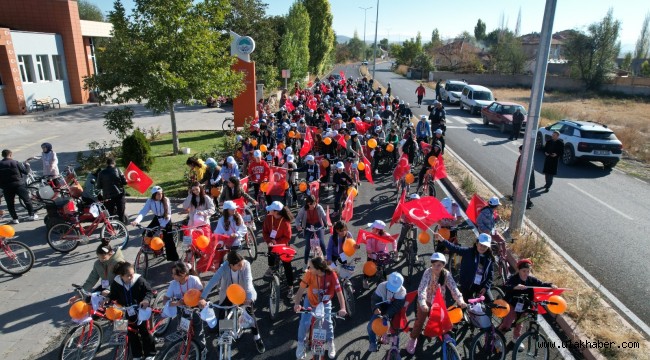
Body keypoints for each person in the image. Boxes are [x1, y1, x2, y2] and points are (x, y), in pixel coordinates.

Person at [199, 251, 265, 353]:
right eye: (238, 265)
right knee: (223, 314)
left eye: (241, 262)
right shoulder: (224, 267)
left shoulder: (246, 265)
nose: (241, 265)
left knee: (250, 314)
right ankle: (222, 338)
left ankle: (257, 338)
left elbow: (248, 282)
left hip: (244, 293)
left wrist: (249, 298)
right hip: (229, 293)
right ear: (231, 265)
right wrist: (203, 297)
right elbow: (213, 280)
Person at [406, 253, 466, 354]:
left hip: (439, 302)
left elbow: (453, 288)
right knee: (419, 321)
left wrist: (460, 300)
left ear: (443, 265)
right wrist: (422, 303)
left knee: (443, 320)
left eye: (439, 265)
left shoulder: (446, 274)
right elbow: (422, 288)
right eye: (434, 264)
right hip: (426, 301)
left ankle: (444, 334)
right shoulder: (428, 272)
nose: (436, 267)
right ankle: (413, 338)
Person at [293, 256, 347, 360]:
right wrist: (296, 304)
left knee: (328, 323)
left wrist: (343, 308)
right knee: (304, 323)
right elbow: (300, 291)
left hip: (325, 302)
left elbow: (339, 292)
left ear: (318, 269)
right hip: (310, 301)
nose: (309, 268)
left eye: (311, 267)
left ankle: (331, 343)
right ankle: (301, 344)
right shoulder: (309, 273)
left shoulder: (331, 274)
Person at [498, 259, 557, 351]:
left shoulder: (531, 280)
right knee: (507, 323)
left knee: (519, 324)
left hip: (524, 306)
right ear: (519, 270)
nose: (526, 273)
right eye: (523, 271)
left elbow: (541, 285)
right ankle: (498, 338)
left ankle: (516, 339)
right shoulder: (514, 278)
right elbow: (505, 286)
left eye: (528, 271)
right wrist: (515, 287)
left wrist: (550, 285)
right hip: (512, 305)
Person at [108, 262, 156, 360]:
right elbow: (113, 296)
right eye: (128, 276)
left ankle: (150, 353)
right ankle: (137, 354)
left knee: (144, 332)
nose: (131, 277)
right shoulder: (116, 283)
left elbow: (149, 291)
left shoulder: (139, 280)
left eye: (132, 274)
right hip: (124, 311)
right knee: (130, 333)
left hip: (139, 309)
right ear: (121, 276)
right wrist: (107, 298)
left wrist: (146, 300)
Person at [162, 261, 206, 354]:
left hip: (195, 309)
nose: (172, 276)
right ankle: (185, 349)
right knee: (183, 332)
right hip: (182, 311)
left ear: (183, 274)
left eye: (174, 274)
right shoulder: (173, 284)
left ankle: (202, 349)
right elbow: (165, 300)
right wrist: (177, 303)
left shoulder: (193, 280)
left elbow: (202, 294)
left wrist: (200, 301)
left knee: (198, 332)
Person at [436, 233, 495, 301]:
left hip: (481, 285)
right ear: (476, 243)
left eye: (485, 246)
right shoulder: (468, 252)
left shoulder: (489, 258)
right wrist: (442, 240)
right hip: (467, 285)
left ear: (488, 247)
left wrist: (486, 287)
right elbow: (455, 248)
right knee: (467, 305)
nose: (482, 248)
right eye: (481, 245)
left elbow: (490, 275)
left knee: (491, 303)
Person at [131, 186, 179, 261]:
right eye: (158, 194)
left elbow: (169, 214)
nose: (160, 196)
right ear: (154, 195)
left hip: (166, 219)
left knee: (168, 240)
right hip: (157, 218)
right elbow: (143, 211)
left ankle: (174, 259)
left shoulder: (166, 200)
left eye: (161, 194)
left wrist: (162, 225)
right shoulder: (150, 201)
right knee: (146, 232)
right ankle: (154, 249)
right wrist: (136, 221)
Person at [367, 272, 406, 352]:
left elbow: (396, 307)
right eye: (390, 287)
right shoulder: (381, 286)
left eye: (394, 289)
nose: (391, 291)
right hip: (382, 308)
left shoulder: (402, 292)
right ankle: (372, 342)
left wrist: (387, 316)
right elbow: (375, 300)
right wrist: (375, 308)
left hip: (395, 311)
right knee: (370, 326)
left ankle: (394, 347)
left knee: (395, 329)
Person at [262, 201, 295, 295]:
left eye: (271, 210)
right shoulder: (268, 218)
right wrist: (269, 241)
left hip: (282, 245)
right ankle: (271, 268)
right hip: (271, 244)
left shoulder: (285, 222)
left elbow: (287, 237)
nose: (269, 211)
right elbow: (264, 232)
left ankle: (290, 287)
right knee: (271, 258)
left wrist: (277, 242)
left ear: (276, 212)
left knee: (287, 266)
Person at [0, 149, 37, 224]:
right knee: (26, 200)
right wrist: (27, 165)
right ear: (10, 155)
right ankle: (31, 215)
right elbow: (26, 172)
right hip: (18, 184)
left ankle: (15, 219)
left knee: (10, 204)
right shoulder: (16, 162)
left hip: (7, 187)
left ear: (2, 155)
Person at [295, 195, 329, 270]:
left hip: (318, 225)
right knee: (307, 246)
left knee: (322, 242)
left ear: (315, 202)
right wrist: (298, 225)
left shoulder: (319, 207)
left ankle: (326, 259)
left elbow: (324, 216)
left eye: (313, 204)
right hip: (308, 226)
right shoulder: (304, 209)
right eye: (309, 204)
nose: (312, 206)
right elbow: (297, 218)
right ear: (307, 203)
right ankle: (305, 263)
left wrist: (328, 223)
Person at [362, 220, 397, 289]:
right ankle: (365, 280)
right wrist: (369, 250)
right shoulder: (370, 235)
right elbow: (368, 243)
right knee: (368, 268)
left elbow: (393, 240)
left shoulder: (385, 235)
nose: (371, 229)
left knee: (383, 269)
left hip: (382, 255)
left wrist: (395, 249)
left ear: (377, 230)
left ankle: (384, 282)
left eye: (373, 228)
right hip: (371, 255)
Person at [96, 158, 128, 223]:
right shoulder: (118, 170)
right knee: (121, 213)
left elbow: (99, 186)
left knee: (110, 214)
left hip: (107, 196)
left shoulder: (101, 173)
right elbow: (125, 182)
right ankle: (122, 226)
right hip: (119, 194)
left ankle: (111, 228)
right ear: (114, 163)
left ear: (107, 164)